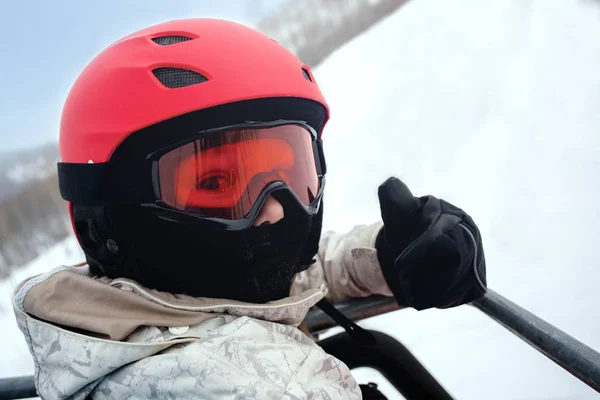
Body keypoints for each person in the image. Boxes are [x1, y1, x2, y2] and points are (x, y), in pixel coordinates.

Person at [12, 18, 486, 399]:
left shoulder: (118, 319)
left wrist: (386, 254)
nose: (276, 211)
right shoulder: (241, 386)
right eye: (216, 182)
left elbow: (270, 284)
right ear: (105, 222)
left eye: (290, 175)